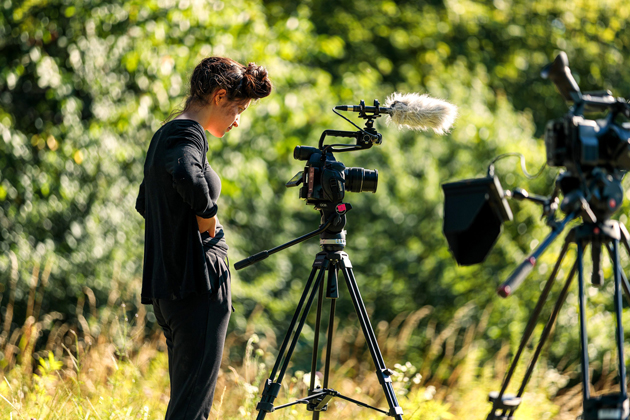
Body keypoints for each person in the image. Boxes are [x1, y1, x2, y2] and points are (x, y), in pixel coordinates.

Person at [135, 56, 272, 420]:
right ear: (220, 96)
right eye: (238, 109)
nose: (238, 120)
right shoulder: (186, 134)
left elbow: (144, 201)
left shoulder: (165, 133)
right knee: (192, 409)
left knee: (186, 403)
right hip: (198, 285)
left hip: (172, 287)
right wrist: (208, 225)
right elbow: (189, 179)